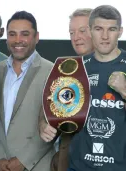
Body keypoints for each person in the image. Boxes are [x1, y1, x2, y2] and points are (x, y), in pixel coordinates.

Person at [42, 5, 126, 171]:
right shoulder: (75, 68)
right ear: (91, 30)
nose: (104, 36)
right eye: (98, 29)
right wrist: (45, 125)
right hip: (79, 166)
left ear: (120, 31)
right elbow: (54, 106)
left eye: (112, 29)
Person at [0, 11, 54, 171]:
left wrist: (24, 160)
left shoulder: (52, 72)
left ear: (37, 37)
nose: (17, 40)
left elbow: (53, 126)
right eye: (12, 34)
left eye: (25, 34)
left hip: (36, 165)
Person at [39, 8, 94, 171]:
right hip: (68, 160)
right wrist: (43, 124)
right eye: (72, 32)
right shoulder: (66, 69)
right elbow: (48, 107)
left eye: (82, 31)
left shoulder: (120, 67)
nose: (76, 37)